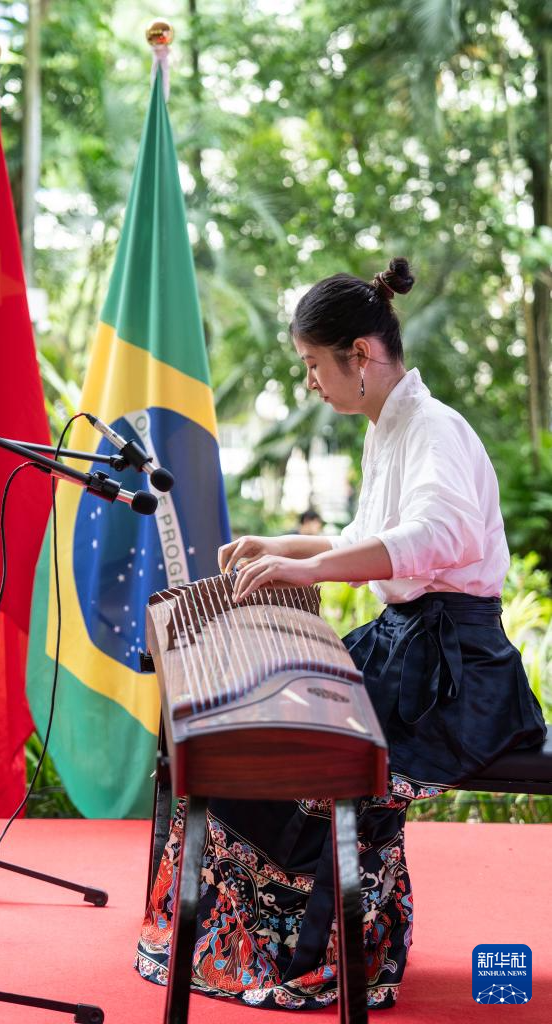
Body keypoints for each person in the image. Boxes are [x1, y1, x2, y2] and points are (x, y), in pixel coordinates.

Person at [135, 257, 547, 1011]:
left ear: (359, 354)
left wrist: (312, 567)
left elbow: (434, 538)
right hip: (408, 646)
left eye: (313, 364)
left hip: (454, 673)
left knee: (312, 763)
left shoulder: (435, 429)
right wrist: (280, 545)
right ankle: (262, 941)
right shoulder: (389, 428)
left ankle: (324, 951)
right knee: (259, 739)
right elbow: (370, 536)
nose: (310, 382)